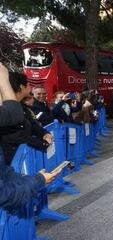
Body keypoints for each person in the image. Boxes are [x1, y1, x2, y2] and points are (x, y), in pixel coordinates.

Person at [0, 63, 60, 211]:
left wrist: (44, 133)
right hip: (13, 159)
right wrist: (37, 180)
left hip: (11, 169)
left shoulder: (24, 107)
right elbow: (16, 129)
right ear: (21, 87)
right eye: (28, 84)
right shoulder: (14, 109)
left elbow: (31, 124)